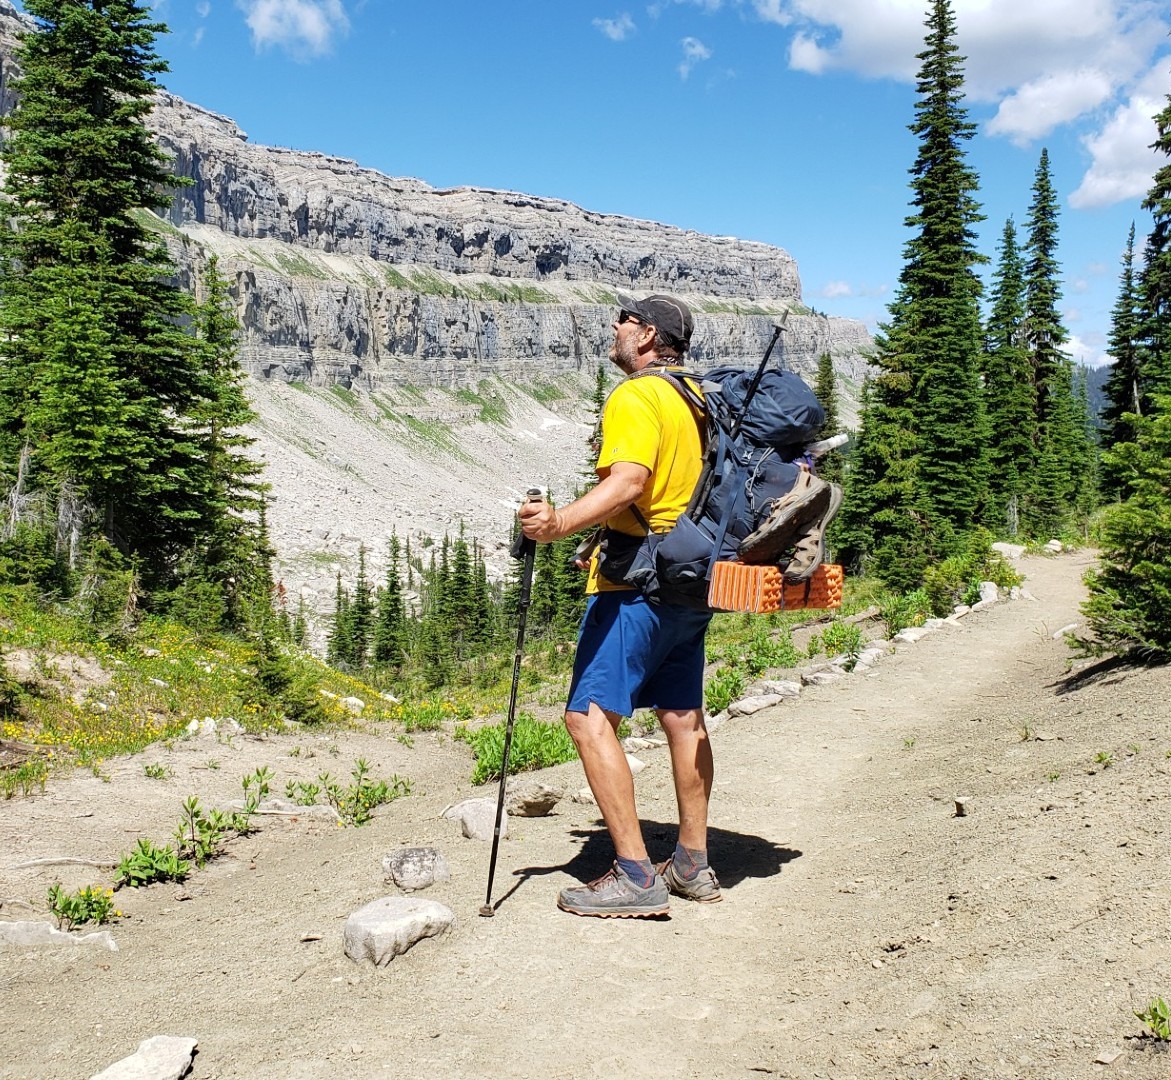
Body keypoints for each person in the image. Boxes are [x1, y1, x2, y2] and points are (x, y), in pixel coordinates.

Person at [518, 292, 721, 918]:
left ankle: (635, 874)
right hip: (692, 575)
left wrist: (558, 525)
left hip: (638, 589)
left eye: (626, 319)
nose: (615, 326)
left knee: (587, 717)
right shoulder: (699, 399)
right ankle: (691, 862)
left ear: (650, 336)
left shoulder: (637, 395)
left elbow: (631, 481)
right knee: (682, 717)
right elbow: (673, 490)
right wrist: (606, 536)